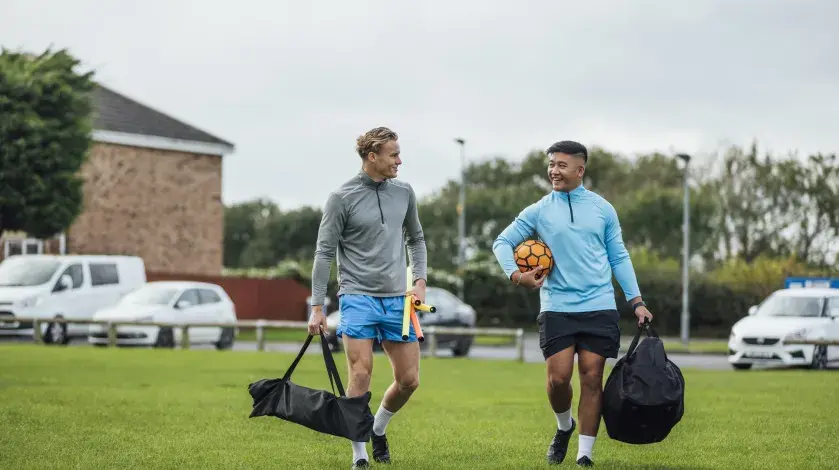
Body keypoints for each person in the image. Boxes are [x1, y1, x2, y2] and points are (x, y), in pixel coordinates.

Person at [492, 140, 653, 467]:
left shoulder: (602, 209)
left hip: (599, 305)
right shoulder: (539, 209)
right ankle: (565, 425)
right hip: (557, 307)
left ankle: (584, 454)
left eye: (562, 165)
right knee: (558, 379)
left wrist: (636, 301)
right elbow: (502, 242)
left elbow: (619, 256)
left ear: (580, 170)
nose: (554, 170)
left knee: (592, 378)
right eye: (552, 164)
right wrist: (516, 275)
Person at [308, 126, 428, 469]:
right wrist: (317, 307)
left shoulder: (404, 192)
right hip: (357, 297)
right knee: (360, 374)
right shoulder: (341, 198)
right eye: (393, 155)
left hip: (397, 301)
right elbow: (324, 253)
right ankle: (359, 455)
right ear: (371, 157)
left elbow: (416, 239)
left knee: (409, 381)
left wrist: (419, 280)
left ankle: (377, 428)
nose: (399, 161)